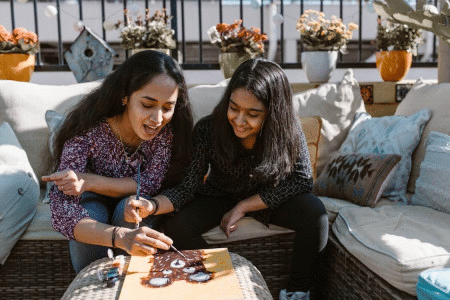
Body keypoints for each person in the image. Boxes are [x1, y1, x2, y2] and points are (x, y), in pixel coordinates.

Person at [123, 58, 329, 300]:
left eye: (252, 114)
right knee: (177, 224)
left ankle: (297, 293)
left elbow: (302, 180)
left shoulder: (288, 129)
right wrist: (153, 205)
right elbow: (188, 186)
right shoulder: (208, 129)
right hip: (220, 195)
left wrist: (245, 206)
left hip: (268, 196)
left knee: (315, 212)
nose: (239, 121)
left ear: (273, 113)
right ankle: (229, 281)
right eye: (234, 108)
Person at [42, 50, 194, 273]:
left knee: (132, 206)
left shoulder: (167, 133)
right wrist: (119, 237)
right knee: (91, 211)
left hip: (131, 201)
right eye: (148, 104)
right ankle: (94, 289)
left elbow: (151, 184)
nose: (158, 118)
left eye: (167, 108)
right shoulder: (87, 128)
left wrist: (90, 180)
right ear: (125, 96)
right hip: (91, 204)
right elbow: (63, 211)